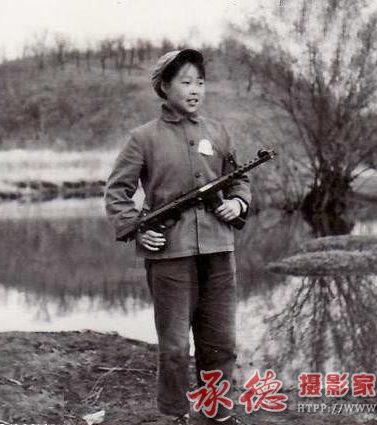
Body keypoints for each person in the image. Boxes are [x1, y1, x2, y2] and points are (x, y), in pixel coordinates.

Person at [104, 48, 251, 424]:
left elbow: (239, 180)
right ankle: (175, 414)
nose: (195, 89)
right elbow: (117, 192)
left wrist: (237, 203)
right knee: (173, 346)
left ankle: (217, 411)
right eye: (185, 82)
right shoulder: (143, 138)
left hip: (219, 250)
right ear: (164, 87)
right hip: (170, 253)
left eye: (200, 82)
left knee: (221, 342)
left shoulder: (219, 132)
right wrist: (138, 229)